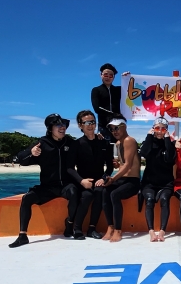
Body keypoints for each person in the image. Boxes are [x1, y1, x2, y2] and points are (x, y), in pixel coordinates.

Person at [9, 113, 82, 248]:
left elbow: (86, 150)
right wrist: (31, 152)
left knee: (74, 192)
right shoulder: (41, 143)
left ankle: (69, 224)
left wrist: (98, 139)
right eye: (58, 125)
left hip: (66, 185)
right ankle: (22, 235)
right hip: (47, 187)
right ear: (50, 128)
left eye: (64, 124)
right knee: (27, 198)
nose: (62, 127)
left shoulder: (70, 143)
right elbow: (21, 159)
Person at [72, 109, 113, 239]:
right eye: (87, 122)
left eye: (93, 122)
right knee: (87, 195)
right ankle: (77, 228)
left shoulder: (104, 142)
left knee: (100, 192)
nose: (90, 125)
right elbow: (69, 168)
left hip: (98, 180)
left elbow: (110, 166)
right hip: (82, 181)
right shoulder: (77, 144)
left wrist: (104, 178)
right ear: (80, 125)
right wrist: (81, 181)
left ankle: (91, 228)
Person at [101, 117, 141, 243]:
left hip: (133, 181)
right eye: (112, 129)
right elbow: (123, 164)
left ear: (124, 127)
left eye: (117, 128)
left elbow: (128, 165)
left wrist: (113, 179)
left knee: (115, 194)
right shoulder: (118, 143)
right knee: (105, 191)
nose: (114, 131)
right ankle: (110, 226)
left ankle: (118, 229)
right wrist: (117, 165)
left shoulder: (129, 140)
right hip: (123, 179)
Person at [139, 117, 176, 242]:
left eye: (163, 129)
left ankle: (162, 231)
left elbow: (170, 159)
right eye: (157, 128)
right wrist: (149, 136)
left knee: (164, 199)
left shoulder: (170, 144)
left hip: (166, 183)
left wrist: (167, 139)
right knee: (149, 200)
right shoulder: (148, 142)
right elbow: (143, 153)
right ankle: (151, 231)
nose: (160, 131)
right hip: (149, 182)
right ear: (153, 129)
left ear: (166, 130)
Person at [90, 63, 122, 138]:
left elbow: (130, 88)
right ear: (101, 75)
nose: (108, 77)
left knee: (121, 145)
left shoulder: (119, 90)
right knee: (104, 145)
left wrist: (127, 77)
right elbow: (97, 108)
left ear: (114, 77)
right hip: (103, 126)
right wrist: (114, 115)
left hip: (119, 125)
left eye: (111, 75)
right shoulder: (96, 90)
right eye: (105, 75)